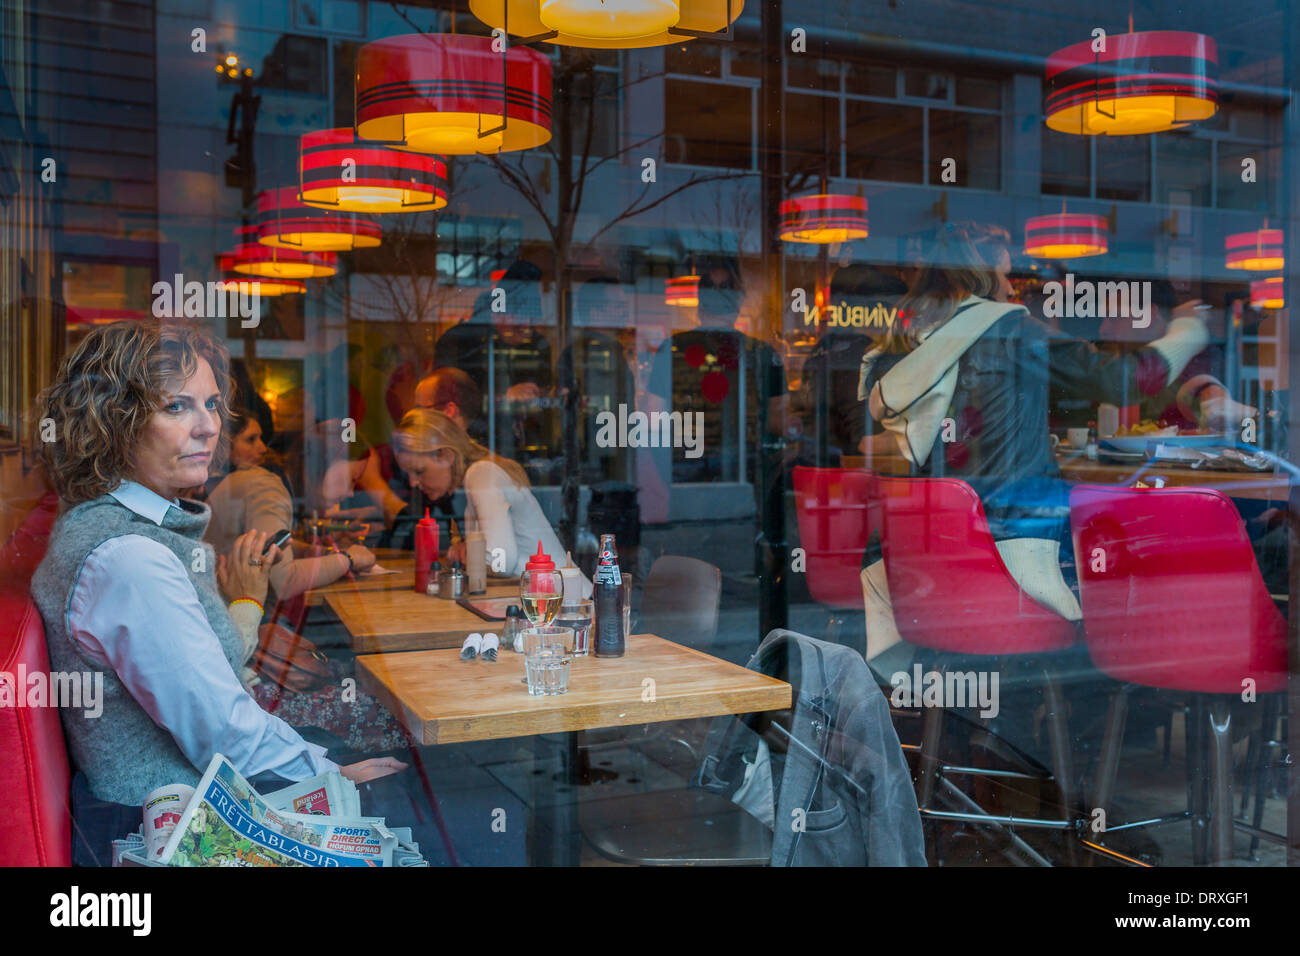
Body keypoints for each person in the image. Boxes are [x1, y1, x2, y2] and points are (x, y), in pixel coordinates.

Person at [29, 321, 404, 865]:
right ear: (115, 423)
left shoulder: (114, 525)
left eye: (211, 404)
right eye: (177, 407)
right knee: (412, 786)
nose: (208, 427)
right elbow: (222, 731)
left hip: (174, 799)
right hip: (164, 826)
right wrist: (331, 776)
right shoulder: (129, 557)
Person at [392, 407, 591, 594]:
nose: (413, 483)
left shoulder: (481, 474)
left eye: (419, 471)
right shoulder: (480, 474)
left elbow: (502, 561)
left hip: (569, 605)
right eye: (407, 474)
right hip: (556, 598)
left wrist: (470, 552)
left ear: (446, 455)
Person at [206, 407, 377, 601]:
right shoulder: (268, 490)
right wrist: (349, 559)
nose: (351, 492)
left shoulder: (271, 484)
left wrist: (311, 551)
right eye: (352, 478)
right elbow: (284, 580)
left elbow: (267, 546)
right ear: (321, 464)